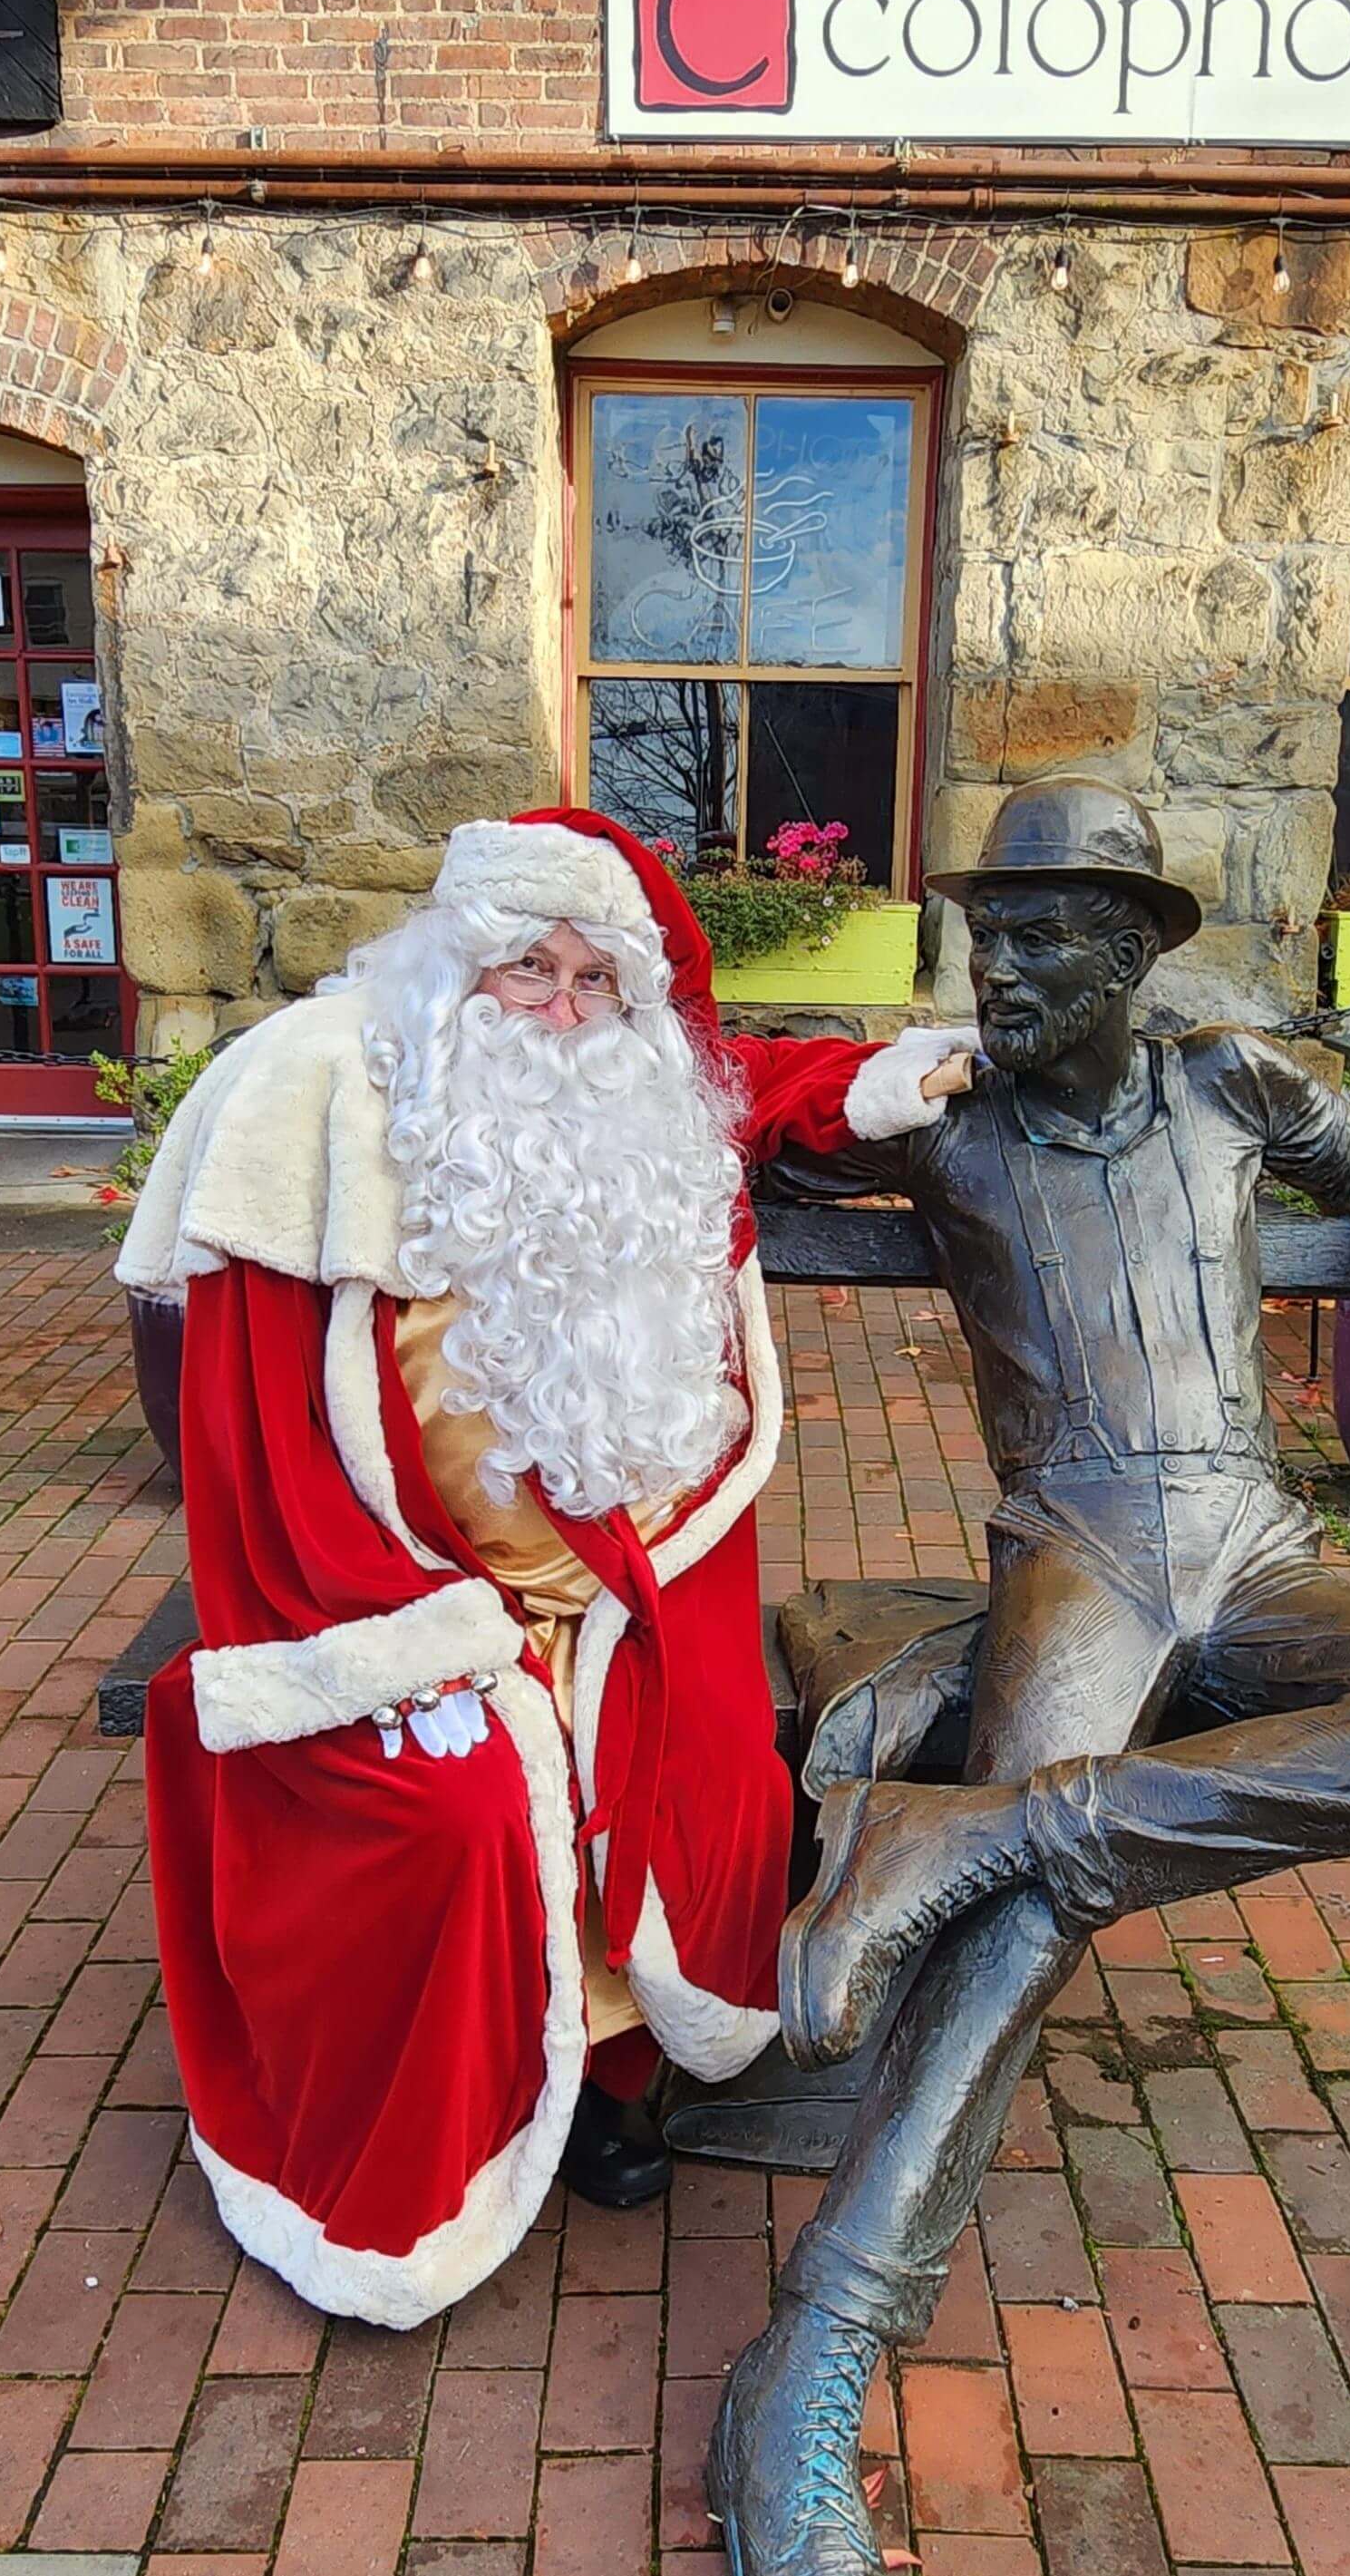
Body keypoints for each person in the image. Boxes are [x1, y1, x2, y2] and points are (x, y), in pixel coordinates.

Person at [706, 779, 1350, 2576]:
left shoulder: (1236, 1083)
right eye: (983, 938)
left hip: (1255, 1546)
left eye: (1044, 939)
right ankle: (808, 2366)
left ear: (1137, 949)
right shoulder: (954, 1134)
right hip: (1075, 1549)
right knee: (1028, 1929)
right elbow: (740, 1160)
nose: (999, 972)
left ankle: (961, 1831)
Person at [116, 810, 970, 2328]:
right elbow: (249, 1446)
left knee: (712, 1762)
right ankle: (447, 2126)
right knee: (451, 1803)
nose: (563, 1008)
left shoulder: (641, 1100)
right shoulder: (316, 1097)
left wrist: (886, 1079)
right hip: (386, 1596)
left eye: (594, 977)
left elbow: (755, 1081)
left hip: (625, 1596)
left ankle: (605, 2064)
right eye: (528, 970)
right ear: (456, 964)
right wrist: (405, 1637)